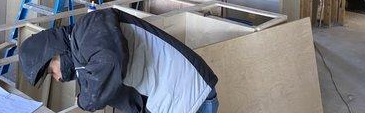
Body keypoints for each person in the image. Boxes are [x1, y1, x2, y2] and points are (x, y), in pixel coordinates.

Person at [19, 8, 219, 113]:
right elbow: (125, 94)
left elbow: (110, 62)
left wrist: (85, 100)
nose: (57, 78)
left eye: (51, 71)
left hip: (190, 96)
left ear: (54, 52)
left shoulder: (87, 27)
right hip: (179, 98)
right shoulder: (85, 56)